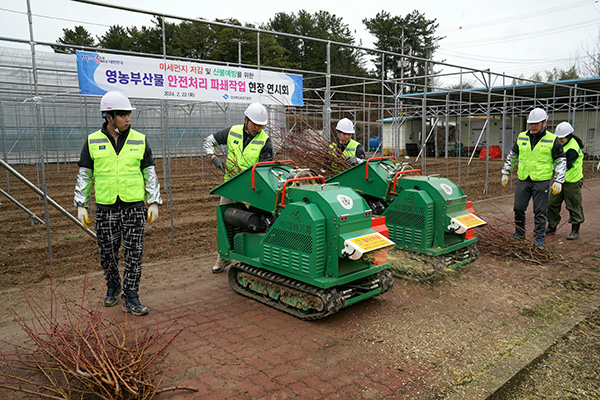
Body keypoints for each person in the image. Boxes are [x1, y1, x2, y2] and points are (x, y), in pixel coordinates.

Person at [74, 91, 162, 316]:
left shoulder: (140, 140)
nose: (127, 119)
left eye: (129, 114)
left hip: (134, 208)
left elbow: (149, 172)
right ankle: (113, 285)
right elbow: (85, 174)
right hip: (106, 208)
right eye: (122, 115)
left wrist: (153, 201)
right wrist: (81, 204)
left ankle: (131, 295)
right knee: (107, 253)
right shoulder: (92, 141)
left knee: (134, 253)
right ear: (108, 116)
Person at [204, 102, 273, 273]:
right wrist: (213, 157)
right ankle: (222, 257)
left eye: (261, 125)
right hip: (231, 186)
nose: (258, 128)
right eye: (255, 124)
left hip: (252, 188)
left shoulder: (266, 141)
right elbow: (209, 141)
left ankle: (256, 255)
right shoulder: (232, 131)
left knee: (255, 221)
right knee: (224, 219)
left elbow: (264, 170)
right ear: (246, 119)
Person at [501, 107, 566, 247]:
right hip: (523, 179)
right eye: (531, 123)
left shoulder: (553, 140)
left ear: (544, 123)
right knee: (518, 208)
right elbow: (513, 155)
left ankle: (538, 237)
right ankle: (519, 232)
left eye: (536, 123)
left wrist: (559, 181)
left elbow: (560, 161)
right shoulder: (522, 136)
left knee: (540, 211)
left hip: (541, 181)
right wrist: (506, 172)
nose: (533, 126)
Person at [546, 121, 585, 240]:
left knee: (573, 205)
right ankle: (552, 226)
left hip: (572, 181)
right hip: (559, 180)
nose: (560, 140)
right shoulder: (560, 145)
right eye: (558, 138)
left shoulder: (573, 148)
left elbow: (564, 165)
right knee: (552, 203)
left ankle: (575, 230)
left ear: (568, 136)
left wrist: (548, 166)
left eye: (562, 138)